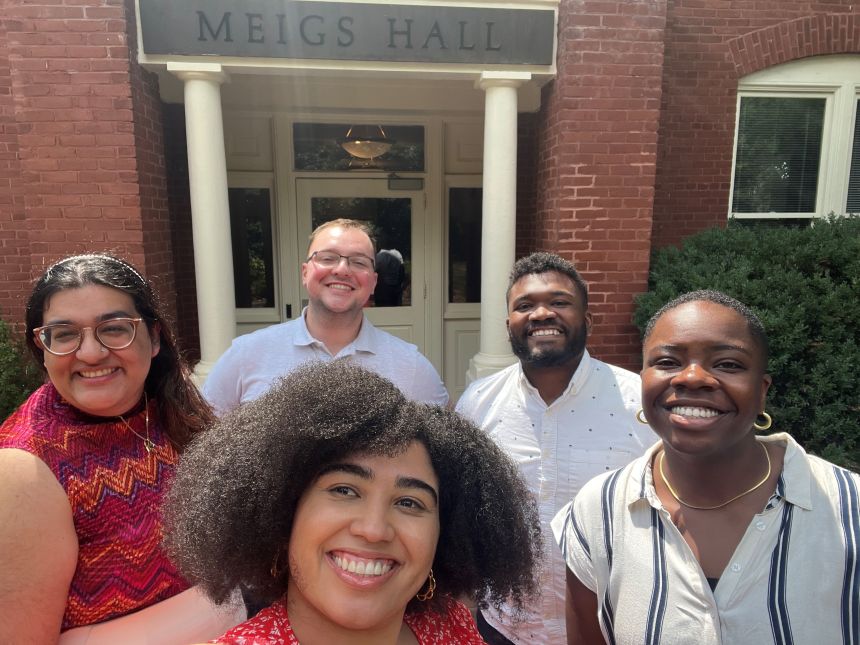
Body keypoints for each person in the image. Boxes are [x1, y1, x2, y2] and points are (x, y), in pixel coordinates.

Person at [553, 290, 860, 644]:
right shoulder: (598, 510)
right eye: (668, 362)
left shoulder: (847, 508)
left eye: (728, 364)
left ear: (761, 391)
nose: (693, 377)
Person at [165, 361, 542, 645]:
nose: (374, 528)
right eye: (344, 490)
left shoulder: (452, 630)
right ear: (282, 514)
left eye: (410, 502)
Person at [0, 254, 244, 643]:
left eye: (114, 329)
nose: (91, 353)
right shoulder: (25, 471)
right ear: (42, 349)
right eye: (64, 334)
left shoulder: (169, 407)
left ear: (155, 338)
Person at [455, 252, 654, 644]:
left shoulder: (640, 406)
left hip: (610, 630)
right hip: (502, 627)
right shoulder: (479, 403)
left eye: (559, 302)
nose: (541, 314)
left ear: (588, 320)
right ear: (508, 324)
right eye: (524, 305)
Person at [204, 219, 447, 415]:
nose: (342, 270)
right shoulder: (247, 356)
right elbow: (203, 440)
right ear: (305, 272)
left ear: (373, 282)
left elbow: (441, 455)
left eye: (359, 262)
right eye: (328, 258)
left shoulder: (412, 368)